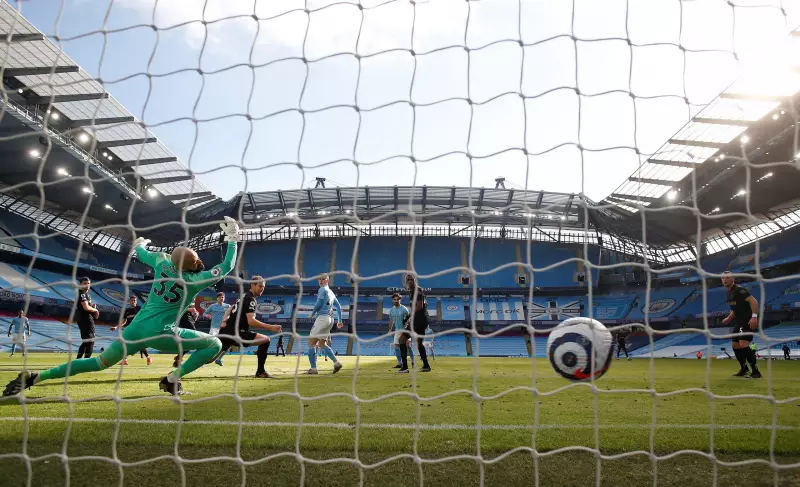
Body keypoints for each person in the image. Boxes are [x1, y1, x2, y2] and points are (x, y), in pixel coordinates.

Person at [3, 216, 241, 397]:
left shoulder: (162, 261)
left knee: (98, 363)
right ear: (189, 267)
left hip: (136, 329)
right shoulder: (194, 281)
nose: (200, 261)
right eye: (196, 260)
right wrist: (232, 238)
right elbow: (228, 265)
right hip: (161, 331)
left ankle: (36, 377)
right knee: (215, 343)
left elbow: (142, 253)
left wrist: (139, 243)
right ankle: (172, 379)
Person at [216, 276, 281, 378]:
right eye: (260, 286)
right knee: (266, 340)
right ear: (252, 285)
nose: (262, 289)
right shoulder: (250, 299)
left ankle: (182, 364)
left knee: (209, 357)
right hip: (238, 333)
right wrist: (271, 327)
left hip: (226, 331)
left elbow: (230, 308)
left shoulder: (243, 296)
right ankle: (260, 372)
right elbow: (251, 321)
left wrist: (225, 319)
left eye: (263, 287)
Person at [721, 271, 761, 379]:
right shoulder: (728, 293)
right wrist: (729, 318)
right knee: (735, 345)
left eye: (727, 278)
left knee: (743, 345)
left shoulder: (739, 290)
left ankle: (756, 372)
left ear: (732, 278)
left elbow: (754, 301)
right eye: (723, 278)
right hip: (739, 322)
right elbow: (735, 309)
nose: (724, 280)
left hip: (747, 320)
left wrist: (754, 317)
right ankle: (744, 368)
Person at [306, 273, 343, 375]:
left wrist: (312, 314)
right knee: (322, 344)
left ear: (327, 280)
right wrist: (340, 321)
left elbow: (318, 304)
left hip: (322, 318)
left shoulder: (322, 289)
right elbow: (339, 307)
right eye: (319, 279)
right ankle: (336, 363)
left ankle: (313, 369)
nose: (321, 281)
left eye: (323, 279)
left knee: (311, 343)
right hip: (330, 319)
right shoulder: (331, 292)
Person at [398, 276, 431, 373]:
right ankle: (426, 366)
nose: (409, 281)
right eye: (408, 280)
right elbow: (425, 305)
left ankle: (404, 367)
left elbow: (419, 307)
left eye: (411, 279)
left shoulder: (417, 291)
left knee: (402, 339)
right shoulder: (416, 291)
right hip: (423, 319)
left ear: (415, 280)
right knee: (419, 343)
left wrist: (408, 317)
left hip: (418, 320)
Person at [110, 296, 152, 366]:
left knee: (140, 345)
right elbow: (123, 322)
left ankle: (148, 358)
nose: (133, 302)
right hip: (130, 329)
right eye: (132, 300)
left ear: (136, 301)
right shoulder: (127, 311)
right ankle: (125, 360)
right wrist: (116, 327)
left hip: (138, 329)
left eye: (134, 300)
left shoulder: (139, 309)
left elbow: (145, 316)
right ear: (129, 301)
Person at [75, 277, 100, 359]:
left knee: (87, 341)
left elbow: (87, 306)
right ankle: (86, 362)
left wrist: (92, 307)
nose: (87, 285)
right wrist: (95, 310)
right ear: (80, 284)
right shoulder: (82, 293)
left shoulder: (87, 294)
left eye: (88, 283)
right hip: (86, 318)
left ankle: (77, 361)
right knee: (91, 341)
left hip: (83, 318)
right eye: (85, 283)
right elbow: (86, 307)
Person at [204, 292, 231, 365]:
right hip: (214, 328)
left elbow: (232, 314)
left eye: (222, 297)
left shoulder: (228, 306)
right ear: (217, 298)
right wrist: (208, 316)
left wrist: (227, 319)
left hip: (224, 329)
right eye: (220, 297)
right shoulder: (212, 306)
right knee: (211, 345)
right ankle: (204, 359)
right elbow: (205, 313)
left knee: (227, 344)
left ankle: (219, 359)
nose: (221, 298)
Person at [387, 293, 410, 369]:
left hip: (405, 331)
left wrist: (407, 327)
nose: (396, 301)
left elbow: (409, 319)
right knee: (396, 346)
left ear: (400, 300)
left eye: (398, 299)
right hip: (397, 330)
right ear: (393, 300)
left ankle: (412, 362)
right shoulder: (391, 310)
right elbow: (391, 320)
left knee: (407, 346)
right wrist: (390, 330)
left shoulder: (404, 309)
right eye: (395, 299)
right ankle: (400, 363)